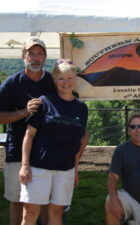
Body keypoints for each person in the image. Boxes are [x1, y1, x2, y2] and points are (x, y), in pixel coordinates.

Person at [18, 59, 89, 225]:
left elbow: (79, 141)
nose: (66, 83)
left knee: (56, 212)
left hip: (65, 171)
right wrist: (24, 165)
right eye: (61, 78)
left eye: (70, 78)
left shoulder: (81, 108)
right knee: (30, 212)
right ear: (54, 80)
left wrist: (75, 169)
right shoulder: (44, 102)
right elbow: (29, 134)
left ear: (75, 79)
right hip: (38, 169)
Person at [0, 37, 56, 225]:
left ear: (45, 57)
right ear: (23, 56)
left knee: (46, 202)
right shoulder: (11, 83)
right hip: (16, 152)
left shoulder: (52, 82)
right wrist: (24, 112)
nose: (35, 58)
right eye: (30, 53)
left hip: (46, 152)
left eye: (39, 54)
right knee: (17, 200)